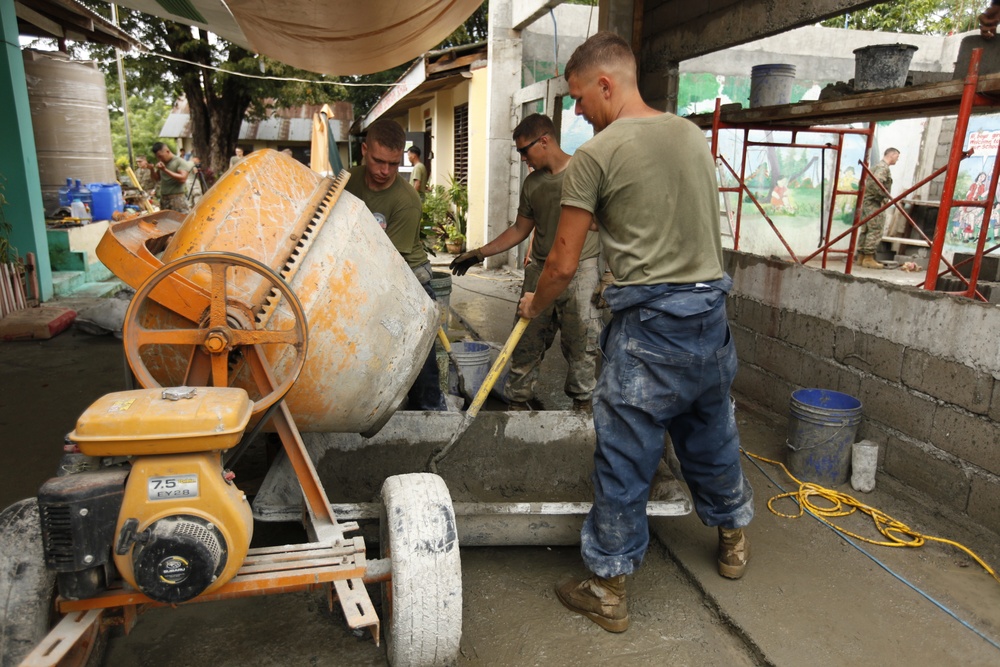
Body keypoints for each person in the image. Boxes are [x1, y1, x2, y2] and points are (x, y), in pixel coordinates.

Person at [516, 32, 753, 633]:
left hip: (650, 328)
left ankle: (608, 588)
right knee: (710, 429)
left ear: (605, 83)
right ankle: (732, 539)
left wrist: (532, 303)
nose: (576, 112)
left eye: (577, 98)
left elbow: (563, 264)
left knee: (625, 455)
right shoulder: (692, 136)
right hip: (711, 317)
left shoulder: (596, 156)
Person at [450, 113, 602, 412]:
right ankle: (518, 408)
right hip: (540, 271)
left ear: (544, 141)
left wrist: (610, 275)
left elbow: (609, 225)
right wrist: (480, 253)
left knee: (582, 347)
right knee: (525, 344)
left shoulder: (585, 173)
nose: (522, 158)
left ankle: (582, 413)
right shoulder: (533, 184)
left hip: (581, 273)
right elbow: (520, 229)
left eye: (524, 150)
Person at [345, 119, 446, 411]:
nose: (384, 171)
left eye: (393, 163)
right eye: (378, 161)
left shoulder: (407, 200)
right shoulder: (346, 181)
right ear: (364, 150)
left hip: (408, 278)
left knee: (417, 359)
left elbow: (388, 263)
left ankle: (431, 415)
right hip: (363, 272)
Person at [857, 147, 900, 269]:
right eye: (897, 156)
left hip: (868, 202)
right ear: (892, 155)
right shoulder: (883, 168)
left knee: (866, 229)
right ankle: (868, 258)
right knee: (875, 229)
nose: (898, 159)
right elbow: (877, 183)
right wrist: (883, 196)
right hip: (875, 203)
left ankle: (861, 256)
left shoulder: (878, 166)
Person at [151, 142, 192, 214]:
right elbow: (157, 178)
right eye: (157, 157)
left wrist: (165, 170)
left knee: (180, 221)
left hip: (177, 199)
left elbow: (183, 178)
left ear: (167, 151)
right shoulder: (162, 163)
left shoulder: (179, 161)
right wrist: (151, 169)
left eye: (161, 156)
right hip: (164, 199)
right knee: (166, 223)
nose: (159, 159)